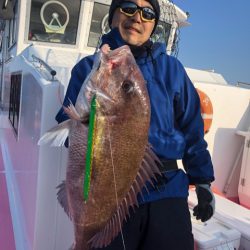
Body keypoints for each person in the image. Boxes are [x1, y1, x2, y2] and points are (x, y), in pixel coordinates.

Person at [56, 0, 215, 249]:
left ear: (154, 24)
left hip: (167, 189)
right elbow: (68, 131)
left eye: (148, 13)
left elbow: (192, 129)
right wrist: (87, 124)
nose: (137, 17)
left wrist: (203, 180)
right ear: (113, 17)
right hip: (110, 193)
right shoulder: (87, 69)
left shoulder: (172, 70)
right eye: (128, 7)